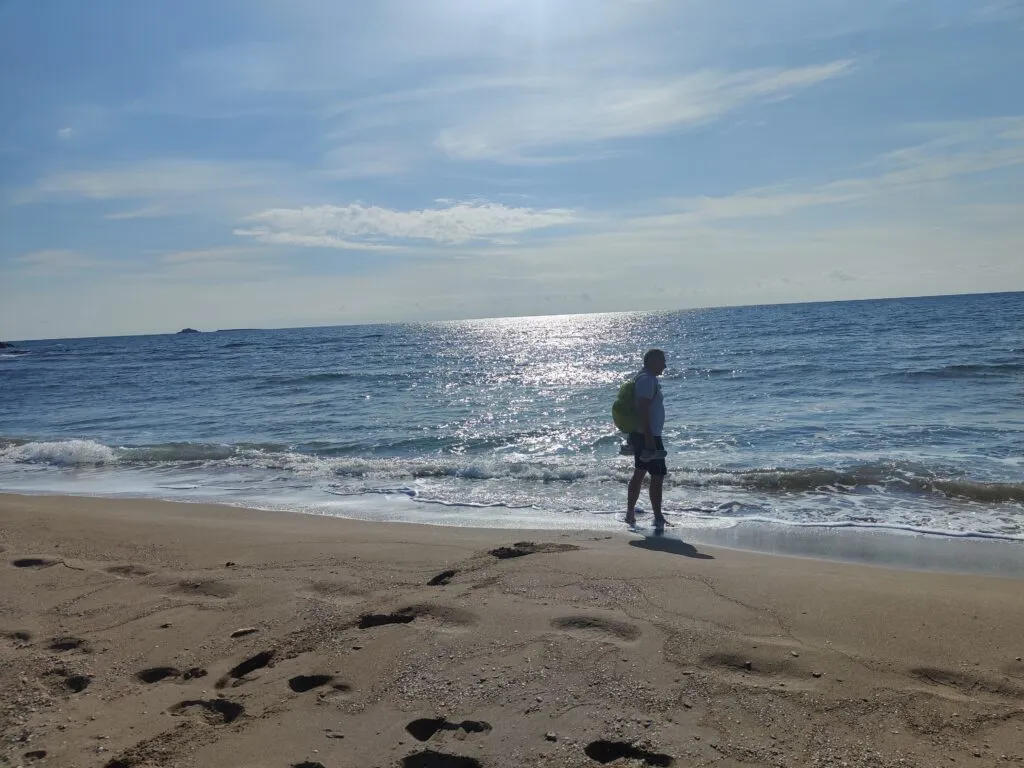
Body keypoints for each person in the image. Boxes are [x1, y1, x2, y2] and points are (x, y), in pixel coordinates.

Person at [625, 349, 669, 528]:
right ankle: (657, 517)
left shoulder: (643, 377)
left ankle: (630, 514)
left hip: (643, 433)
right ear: (651, 361)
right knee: (657, 475)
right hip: (648, 435)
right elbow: (642, 408)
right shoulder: (646, 379)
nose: (665, 365)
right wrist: (650, 438)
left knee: (640, 472)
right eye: (662, 361)